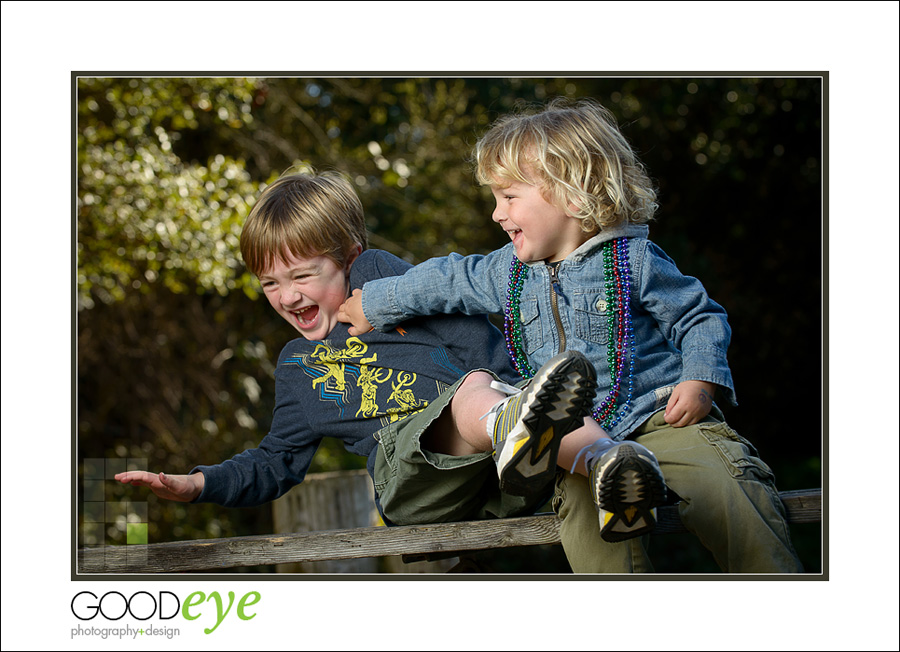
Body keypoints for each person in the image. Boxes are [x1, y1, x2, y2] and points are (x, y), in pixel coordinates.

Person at [338, 98, 805, 573]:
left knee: (730, 485)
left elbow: (699, 318)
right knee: (586, 524)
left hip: (662, 417)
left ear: (573, 195)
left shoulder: (635, 260)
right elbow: (447, 280)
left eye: (510, 196)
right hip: (576, 443)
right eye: (495, 199)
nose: (498, 214)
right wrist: (374, 303)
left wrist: (700, 380)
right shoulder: (507, 272)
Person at [116, 170, 663, 550]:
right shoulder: (298, 368)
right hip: (412, 479)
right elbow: (276, 461)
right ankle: (514, 425)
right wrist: (197, 484)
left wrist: (380, 291)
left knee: (508, 391)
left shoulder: (386, 285)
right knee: (482, 392)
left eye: (303, 275)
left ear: (349, 261)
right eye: (269, 284)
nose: (286, 296)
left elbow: (480, 341)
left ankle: (611, 469)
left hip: (495, 476)